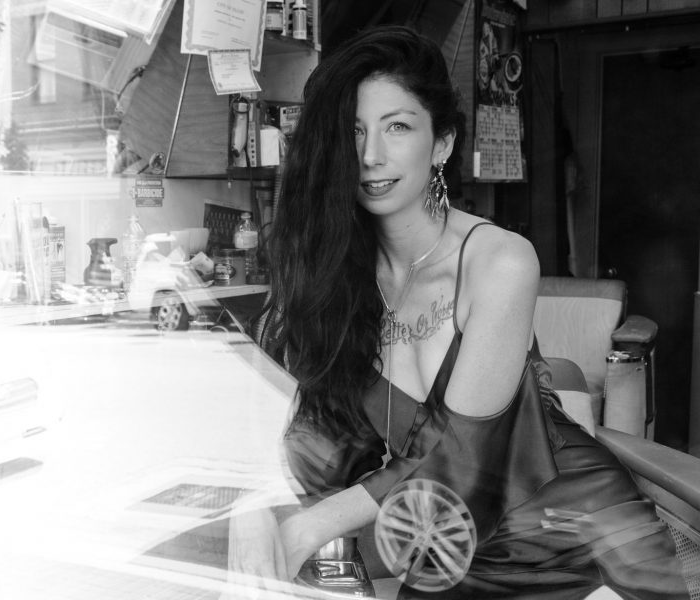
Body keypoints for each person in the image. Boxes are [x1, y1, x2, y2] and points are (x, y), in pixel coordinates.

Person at [228, 26, 688, 599]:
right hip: (447, 539)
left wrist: (308, 525)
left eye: (398, 126)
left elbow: (461, 455)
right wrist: (255, 501)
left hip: (575, 540)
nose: (370, 155)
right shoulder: (335, 280)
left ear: (442, 143)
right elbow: (312, 439)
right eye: (354, 131)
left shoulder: (499, 261)